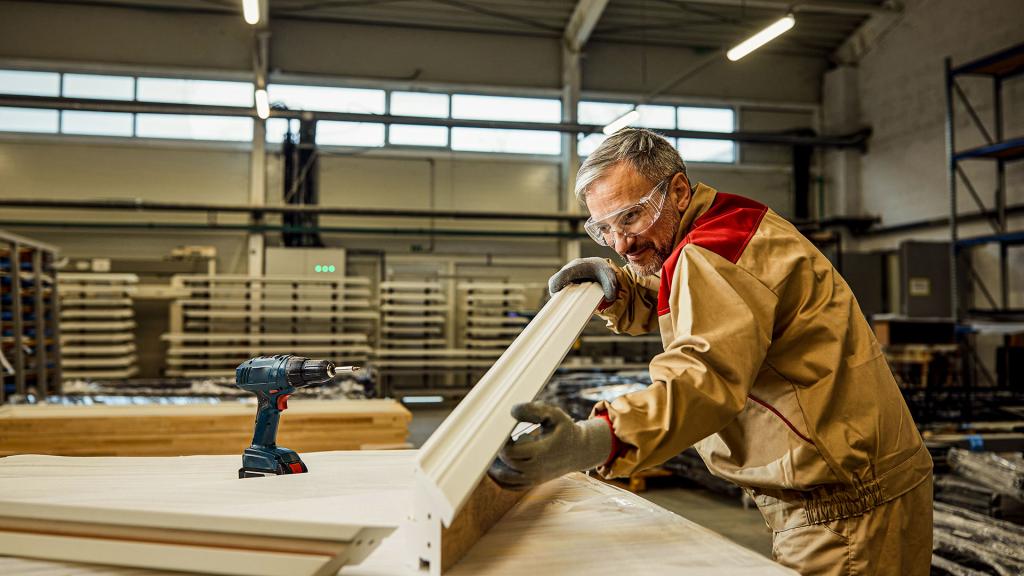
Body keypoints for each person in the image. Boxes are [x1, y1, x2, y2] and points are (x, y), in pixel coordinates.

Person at [488, 128, 933, 575]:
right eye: (604, 228)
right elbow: (690, 299)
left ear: (678, 190)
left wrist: (593, 441)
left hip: (843, 506)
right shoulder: (730, 222)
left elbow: (703, 381)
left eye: (631, 218)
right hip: (865, 476)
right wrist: (618, 290)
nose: (621, 244)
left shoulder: (713, 254)